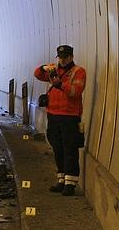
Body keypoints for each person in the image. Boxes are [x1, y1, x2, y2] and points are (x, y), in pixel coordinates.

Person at [34, 45, 86, 196]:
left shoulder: (78, 71)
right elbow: (37, 74)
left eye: (65, 57)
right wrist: (44, 67)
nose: (62, 60)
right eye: (60, 57)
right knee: (57, 147)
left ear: (71, 57)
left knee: (70, 147)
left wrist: (60, 85)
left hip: (70, 116)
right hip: (53, 114)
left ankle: (70, 183)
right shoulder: (54, 71)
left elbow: (75, 92)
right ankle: (61, 179)